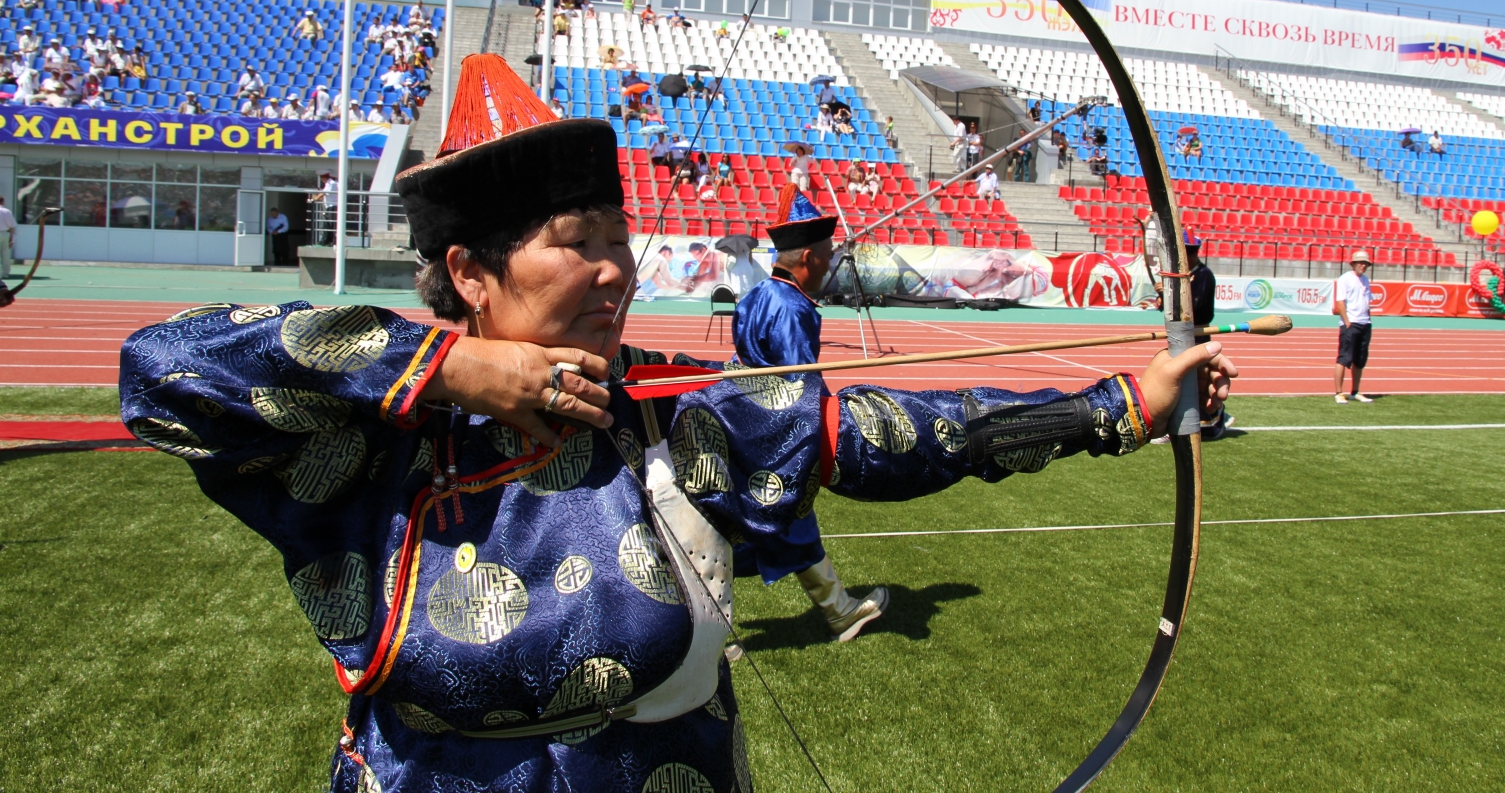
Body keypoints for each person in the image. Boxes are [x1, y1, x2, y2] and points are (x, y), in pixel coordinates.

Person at [119, 51, 1238, 793]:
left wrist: (1121, 408)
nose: (613, 269)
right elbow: (162, 369)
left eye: (619, 236)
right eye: (576, 238)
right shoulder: (373, 435)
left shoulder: (672, 410)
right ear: (469, 272)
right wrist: (451, 371)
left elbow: (892, 434)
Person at [731, 184, 890, 640]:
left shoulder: (756, 296)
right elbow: (800, 384)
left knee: (768, 523)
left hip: (748, 423)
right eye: (825, 256)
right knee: (786, 519)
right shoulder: (793, 308)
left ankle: (839, 609)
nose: (830, 264)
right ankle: (839, 611)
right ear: (807, 259)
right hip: (780, 434)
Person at [1183, 231, 1229, 438]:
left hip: (1198, 333)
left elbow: (1195, 306)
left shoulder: (1203, 275)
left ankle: (1215, 421)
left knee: (1195, 378)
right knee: (1187, 377)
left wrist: (1170, 295)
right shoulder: (1188, 274)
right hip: (1185, 333)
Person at [1333, 250, 1374, 404]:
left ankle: (1355, 391)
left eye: (1365, 263)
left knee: (1360, 360)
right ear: (1353, 264)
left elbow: (1367, 301)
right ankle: (1338, 392)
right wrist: (1347, 322)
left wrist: (1368, 320)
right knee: (1344, 358)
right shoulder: (1345, 279)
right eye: (1360, 262)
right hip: (1351, 323)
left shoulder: (1365, 280)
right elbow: (1340, 302)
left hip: (1365, 324)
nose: (1363, 265)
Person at [309, 171, 338, 245]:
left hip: (333, 207)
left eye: (321, 178)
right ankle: (326, 241)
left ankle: (330, 241)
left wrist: (314, 199)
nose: (321, 180)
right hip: (329, 207)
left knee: (331, 225)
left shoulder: (332, 183)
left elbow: (323, 193)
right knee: (327, 224)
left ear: (324, 177)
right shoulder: (328, 184)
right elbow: (324, 195)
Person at [0, 194, 14, 279]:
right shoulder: (7, 211)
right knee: (6, 254)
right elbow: (12, 226)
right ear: (2, 202)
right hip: (5, 233)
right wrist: (11, 238)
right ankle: (5, 273)